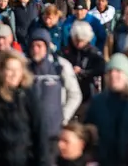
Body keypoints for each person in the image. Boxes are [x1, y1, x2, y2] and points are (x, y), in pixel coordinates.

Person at [0, 50, 49, 166]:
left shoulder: (29, 96)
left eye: (18, 70)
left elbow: (40, 132)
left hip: (26, 160)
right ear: (1, 71)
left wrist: (43, 161)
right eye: (10, 69)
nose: (14, 74)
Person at [28, 29, 83, 164]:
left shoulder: (61, 66)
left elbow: (75, 94)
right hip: (30, 134)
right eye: (33, 46)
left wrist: (63, 117)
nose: (36, 49)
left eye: (39, 46)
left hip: (54, 133)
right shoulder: (25, 69)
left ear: (46, 47)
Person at [84, 54, 128, 166]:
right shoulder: (97, 102)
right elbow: (87, 133)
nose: (113, 75)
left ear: (127, 75)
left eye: (118, 71)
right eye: (110, 72)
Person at [60, 21, 107, 120]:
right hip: (68, 94)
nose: (78, 43)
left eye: (82, 40)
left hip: (87, 94)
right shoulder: (66, 52)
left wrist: (83, 72)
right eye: (76, 40)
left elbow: (100, 70)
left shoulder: (94, 53)